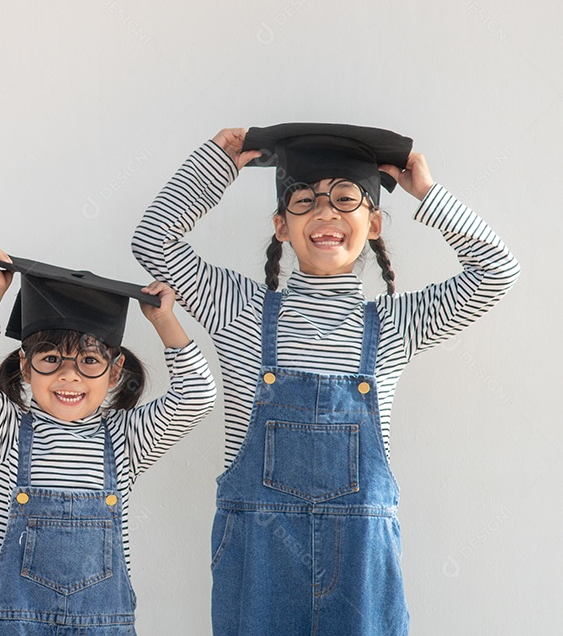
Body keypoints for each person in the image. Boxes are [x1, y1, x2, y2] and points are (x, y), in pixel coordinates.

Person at [132, 124, 520, 635]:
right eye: (305, 201)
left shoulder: (395, 325)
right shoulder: (240, 311)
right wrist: (216, 163)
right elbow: (152, 242)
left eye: (345, 199)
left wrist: (427, 193)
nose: (325, 212)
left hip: (360, 564)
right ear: (280, 225)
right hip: (259, 555)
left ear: (374, 222)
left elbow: (497, 270)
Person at [0, 248, 217, 635]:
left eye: (89, 361)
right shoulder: (7, 431)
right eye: (51, 359)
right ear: (26, 365)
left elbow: (198, 396)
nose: (69, 376)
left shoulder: (126, 439)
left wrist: (164, 319)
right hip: (12, 625)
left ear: (114, 371)